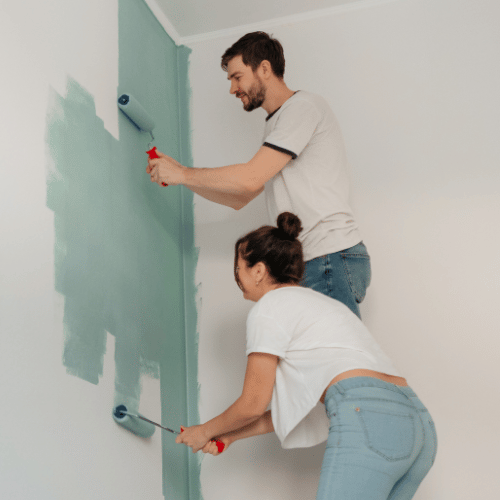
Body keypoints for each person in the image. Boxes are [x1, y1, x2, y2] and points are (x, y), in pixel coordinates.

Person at [175, 212, 436, 500]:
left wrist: (203, 431)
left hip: (368, 418)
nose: (236, 275)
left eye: (239, 267)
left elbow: (252, 403)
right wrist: (229, 434)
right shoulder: (323, 306)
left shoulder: (269, 308)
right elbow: (292, 410)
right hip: (418, 426)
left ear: (259, 270)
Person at [147, 31, 370, 318]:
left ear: (264, 68)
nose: (232, 88)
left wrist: (183, 173)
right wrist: (181, 176)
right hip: (317, 260)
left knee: (335, 360)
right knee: (313, 359)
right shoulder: (279, 124)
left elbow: (250, 178)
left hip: (329, 257)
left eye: (237, 77)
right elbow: (240, 196)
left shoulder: (301, 108)